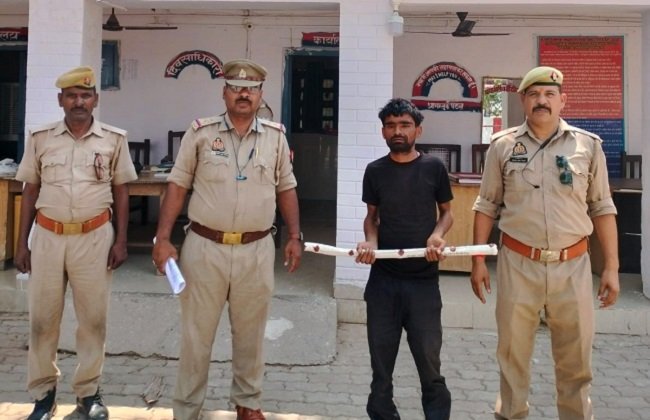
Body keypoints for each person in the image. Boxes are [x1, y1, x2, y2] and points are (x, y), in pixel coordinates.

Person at [152, 58, 302, 420]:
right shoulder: (201, 133)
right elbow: (177, 185)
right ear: (224, 93)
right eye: (236, 88)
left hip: (256, 249)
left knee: (251, 335)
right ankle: (187, 410)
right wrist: (162, 238)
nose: (243, 95)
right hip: (205, 248)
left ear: (260, 95)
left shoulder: (276, 137)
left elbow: (287, 188)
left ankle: (248, 404)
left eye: (250, 89)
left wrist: (295, 235)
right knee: (196, 337)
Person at [470, 66, 620, 419]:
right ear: (523, 100)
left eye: (550, 94)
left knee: (576, 361)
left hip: (573, 266)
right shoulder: (503, 146)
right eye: (534, 94)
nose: (542, 101)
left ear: (562, 100)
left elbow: (602, 207)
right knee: (512, 356)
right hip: (519, 264)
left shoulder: (587, 145)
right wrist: (477, 261)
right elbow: (486, 204)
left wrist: (611, 268)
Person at [14, 66, 137, 420]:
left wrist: (121, 240)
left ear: (95, 99)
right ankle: (43, 396)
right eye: (72, 96)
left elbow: (121, 190)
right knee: (42, 320)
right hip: (48, 237)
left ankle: (88, 394)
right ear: (60, 100)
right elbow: (30, 190)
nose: (78, 102)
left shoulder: (113, 139)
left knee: (93, 321)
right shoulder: (40, 138)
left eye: (85, 95)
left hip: (95, 238)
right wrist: (22, 244)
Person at [356, 98, 454, 420]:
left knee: (429, 362)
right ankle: (383, 413)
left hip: (423, 282)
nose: (397, 131)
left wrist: (437, 235)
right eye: (391, 126)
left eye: (405, 125)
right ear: (383, 131)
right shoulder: (375, 171)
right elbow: (372, 217)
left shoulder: (434, 168)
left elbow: (447, 213)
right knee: (381, 365)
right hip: (383, 282)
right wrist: (371, 243)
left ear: (418, 130)